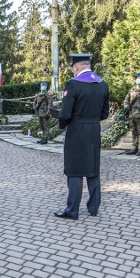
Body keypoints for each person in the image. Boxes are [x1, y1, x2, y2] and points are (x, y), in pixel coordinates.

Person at [54, 54, 110, 220]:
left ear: (76, 67)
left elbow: (64, 114)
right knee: (93, 170)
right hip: (94, 130)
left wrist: (62, 124)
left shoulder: (73, 85)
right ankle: (93, 208)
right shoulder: (103, 84)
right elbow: (105, 113)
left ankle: (72, 210)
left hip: (77, 131)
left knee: (75, 171)